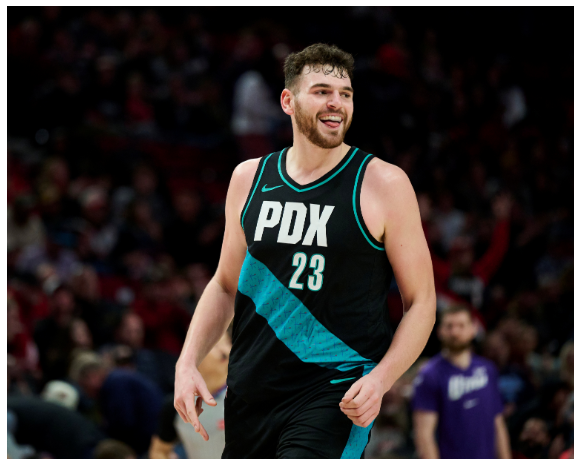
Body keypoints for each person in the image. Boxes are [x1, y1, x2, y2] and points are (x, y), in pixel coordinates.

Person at [173, 43, 436, 459]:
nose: (336, 103)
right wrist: (187, 363)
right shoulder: (248, 178)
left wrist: (382, 379)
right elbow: (224, 285)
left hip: (334, 391)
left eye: (345, 94)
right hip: (250, 390)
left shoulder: (384, 184)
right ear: (288, 101)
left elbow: (421, 302)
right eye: (322, 91)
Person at [411, 306, 511, 459]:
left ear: (473, 329)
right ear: (440, 331)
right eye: (449, 326)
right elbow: (424, 435)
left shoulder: (487, 369)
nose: (455, 332)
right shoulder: (429, 375)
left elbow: (498, 422)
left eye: (461, 326)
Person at [150, 331, 231, 459]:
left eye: (227, 343)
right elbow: (159, 452)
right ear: (192, 354)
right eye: (215, 345)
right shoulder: (177, 405)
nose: (224, 350)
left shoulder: (249, 394)